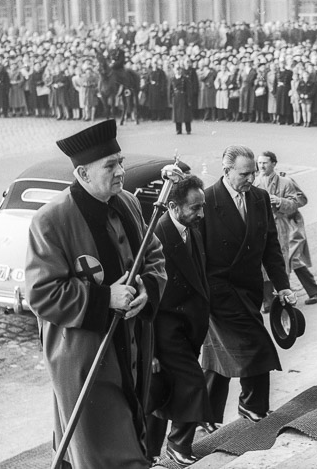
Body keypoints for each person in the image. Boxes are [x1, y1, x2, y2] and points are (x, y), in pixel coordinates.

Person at [25, 119, 166, 469]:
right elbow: (42, 292)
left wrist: (145, 290)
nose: (121, 171)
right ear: (83, 175)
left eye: (120, 161)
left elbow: (155, 258)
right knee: (103, 454)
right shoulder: (50, 221)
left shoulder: (129, 203)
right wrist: (106, 299)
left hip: (131, 351)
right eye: (111, 165)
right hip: (87, 361)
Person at [198, 145, 296, 425]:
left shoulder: (260, 198)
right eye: (244, 174)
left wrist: (283, 285)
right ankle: (253, 406)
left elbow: (270, 246)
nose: (251, 179)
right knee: (256, 345)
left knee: (220, 355)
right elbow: (197, 254)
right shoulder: (206, 200)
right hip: (219, 293)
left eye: (253, 173)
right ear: (226, 170)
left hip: (250, 290)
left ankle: (207, 415)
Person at [147, 174, 213, 467]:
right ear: (173, 207)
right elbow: (149, 298)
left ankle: (149, 452)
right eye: (195, 208)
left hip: (188, 330)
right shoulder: (158, 237)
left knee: (168, 392)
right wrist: (151, 352)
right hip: (166, 331)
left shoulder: (192, 230)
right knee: (192, 383)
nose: (201, 213)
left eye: (202, 206)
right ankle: (177, 445)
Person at [255, 151, 317, 312]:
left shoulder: (285, 182)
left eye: (265, 163)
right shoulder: (255, 183)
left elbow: (300, 200)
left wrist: (280, 201)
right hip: (264, 227)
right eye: (259, 163)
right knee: (265, 263)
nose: (262, 166)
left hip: (286, 226)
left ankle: (312, 291)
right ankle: (269, 300)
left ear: (274, 164)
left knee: (291, 259)